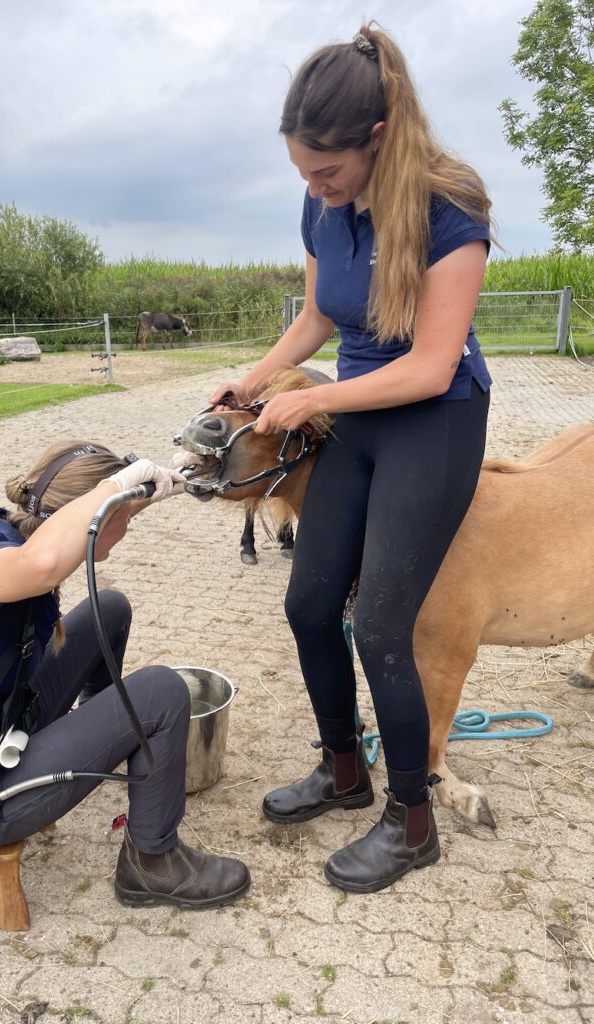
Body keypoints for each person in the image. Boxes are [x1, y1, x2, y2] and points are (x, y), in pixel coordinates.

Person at [209, 24, 493, 893]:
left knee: (379, 626)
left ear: (378, 137)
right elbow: (319, 319)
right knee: (307, 602)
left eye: (326, 172)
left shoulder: (453, 206)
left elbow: (432, 363)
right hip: (362, 412)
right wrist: (255, 380)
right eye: (302, 173)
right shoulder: (321, 203)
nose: (315, 191)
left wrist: (315, 396)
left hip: (435, 414)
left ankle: (413, 821)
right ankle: (342, 769)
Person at [0, 441, 251, 909]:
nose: (127, 526)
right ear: (91, 519)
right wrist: (116, 487)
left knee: (109, 608)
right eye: (120, 516)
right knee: (161, 691)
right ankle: (152, 862)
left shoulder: (11, 533)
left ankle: (110, 743)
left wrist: (165, 483)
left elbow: (85, 527)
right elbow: (46, 562)